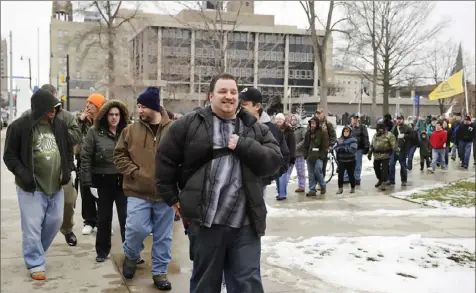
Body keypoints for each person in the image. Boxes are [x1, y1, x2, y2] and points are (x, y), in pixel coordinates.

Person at [156, 73, 282, 293]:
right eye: (223, 91)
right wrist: (171, 197)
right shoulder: (190, 124)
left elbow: (274, 161)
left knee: (248, 283)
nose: (229, 96)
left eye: (233, 92)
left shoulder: (253, 127)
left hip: (245, 224)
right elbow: (165, 158)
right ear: (210, 95)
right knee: (205, 283)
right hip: (206, 223)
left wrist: (244, 146)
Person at [3, 89, 73, 280]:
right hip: (31, 188)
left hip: (56, 185)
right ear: (40, 107)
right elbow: (9, 156)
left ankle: (36, 251)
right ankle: (35, 263)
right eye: (51, 108)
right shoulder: (19, 127)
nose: (54, 111)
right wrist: (24, 175)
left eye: (56, 108)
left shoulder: (58, 125)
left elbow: (67, 149)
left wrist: (67, 170)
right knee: (32, 227)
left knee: (56, 221)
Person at [114, 87, 174, 290]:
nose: (139, 110)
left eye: (143, 107)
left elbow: (183, 157)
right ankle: (131, 255)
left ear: (154, 107)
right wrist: (134, 171)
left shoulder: (174, 130)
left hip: (165, 194)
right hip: (137, 191)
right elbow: (119, 155)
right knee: (135, 229)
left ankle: (159, 272)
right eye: (138, 106)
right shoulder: (130, 131)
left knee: (163, 236)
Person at [20, 84, 82, 247]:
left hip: (62, 169)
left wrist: (58, 131)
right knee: (38, 212)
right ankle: (38, 240)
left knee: (68, 201)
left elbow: (76, 136)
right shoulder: (28, 116)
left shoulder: (66, 117)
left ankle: (67, 229)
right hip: (38, 172)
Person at [80, 100, 129, 262]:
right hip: (102, 181)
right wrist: (88, 184)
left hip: (123, 181)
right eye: (111, 114)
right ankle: (102, 251)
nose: (114, 118)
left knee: (127, 219)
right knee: (104, 218)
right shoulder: (94, 132)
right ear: (105, 115)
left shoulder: (126, 131)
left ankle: (132, 252)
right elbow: (85, 157)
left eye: (117, 115)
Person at [238, 87, 290, 202]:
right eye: (239, 104)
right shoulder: (235, 125)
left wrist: (268, 177)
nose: (240, 108)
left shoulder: (272, 130)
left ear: (257, 106)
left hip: (259, 186)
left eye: (244, 104)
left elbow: (284, 157)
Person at [77, 93, 107, 235]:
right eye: (87, 102)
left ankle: (103, 221)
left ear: (98, 107)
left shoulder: (104, 122)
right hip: (84, 161)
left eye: (91, 104)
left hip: (101, 162)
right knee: (86, 191)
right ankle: (89, 221)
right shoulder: (81, 120)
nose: (87, 106)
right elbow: (73, 137)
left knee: (102, 193)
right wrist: (80, 121)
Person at [302, 118, 328, 197]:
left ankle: (323, 185)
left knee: (317, 170)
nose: (312, 125)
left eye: (314, 123)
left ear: (317, 124)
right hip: (310, 157)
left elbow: (324, 146)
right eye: (311, 123)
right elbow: (305, 145)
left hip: (318, 156)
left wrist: (321, 156)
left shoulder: (322, 133)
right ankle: (312, 190)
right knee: (311, 174)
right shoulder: (308, 133)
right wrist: (305, 155)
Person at [367, 123, 396, 190]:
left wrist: (396, 152)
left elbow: (393, 145)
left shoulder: (389, 135)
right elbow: (372, 144)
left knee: (384, 169)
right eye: (379, 130)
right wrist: (370, 153)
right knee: (376, 168)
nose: (380, 131)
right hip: (376, 155)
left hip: (385, 155)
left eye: (381, 129)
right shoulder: (375, 135)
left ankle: (383, 182)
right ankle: (380, 179)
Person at [274, 113, 296, 200]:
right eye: (277, 119)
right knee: (276, 176)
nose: (278, 121)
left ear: (284, 121)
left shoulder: (289, 131)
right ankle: (280, 192)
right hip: (276, 156)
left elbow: (292, 145)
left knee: (282, 176)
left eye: (280, 119)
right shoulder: (273, 130)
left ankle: (282, 194)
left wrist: (291, 157)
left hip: (285, 156)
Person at [344, 113, 369, 185]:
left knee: (357, 164)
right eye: (353, 119)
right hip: (349, 149)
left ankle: (357, 178)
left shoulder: (362, 127)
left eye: (356, 119)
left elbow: (365, 137)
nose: (355, 121)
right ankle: (346, 178)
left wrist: (366, 147)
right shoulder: (348, 128)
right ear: (351, 119)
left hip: (358, 149)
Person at [388, 115, 413, 186]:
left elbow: (412, 136)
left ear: (403, 120)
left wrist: (404, 135)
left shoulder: (407, 128)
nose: (398, 120)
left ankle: (404, 180)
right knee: (391, 165)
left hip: (403, 150)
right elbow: (391, 136)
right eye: (397, 119)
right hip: (395, 149)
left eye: (400, 119)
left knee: (403, 165)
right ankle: (391, 180)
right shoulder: (395, 127)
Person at [334, 126, 358, 194]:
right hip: (341, 160)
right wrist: (336, 149)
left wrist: (344, 149)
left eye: (347, 131)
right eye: (344, 131)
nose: (346, 132)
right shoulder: (339, 139)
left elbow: (353, 149)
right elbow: (335, 147)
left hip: (351, 161)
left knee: (351, 175)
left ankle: (353, 187)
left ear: (350, 132)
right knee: (340, 175)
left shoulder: (353, 140)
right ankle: (340, 188)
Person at [289, 114, 307, 193]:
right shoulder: (289, 129)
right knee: (287, 171)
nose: (293, 121)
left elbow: (305, 139)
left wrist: (297, 146)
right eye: (292, 120)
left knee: (300, 171)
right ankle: (283, 187)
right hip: (290, 153)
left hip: (299, 153)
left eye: (294, 120)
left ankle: (301, 186)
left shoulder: (302, 129)